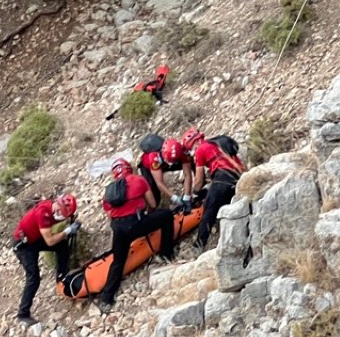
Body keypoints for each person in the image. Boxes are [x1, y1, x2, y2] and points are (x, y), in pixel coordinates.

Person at [97, 158, 175, 313]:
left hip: (118, 229)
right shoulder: (139, 180)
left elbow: (109, 214)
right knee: (166, 216)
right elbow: (152, 204)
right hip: (136, 224)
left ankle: (106, 298)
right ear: (129, 169)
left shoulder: (109, 191)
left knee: (118, 261)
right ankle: (166, 253)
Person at [12, 194, 80, 325]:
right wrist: (68, 231)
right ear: (57, 203)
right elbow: (50, 241)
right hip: (23, 245)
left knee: (62, 247)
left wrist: (72, 220)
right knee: (34, 278)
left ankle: (62, 279)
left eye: (63, 213)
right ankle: (23, 314)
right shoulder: (43, 213)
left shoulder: (53, 209)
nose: (59, 213)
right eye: (59, 210)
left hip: (34, 239)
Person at [185, 127, 245, 251]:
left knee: (209, 211)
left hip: (223, 179)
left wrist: (195, 194)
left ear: (195, 143)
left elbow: (198, 180)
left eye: (190, 148)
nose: (191, 152)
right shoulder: (217, 144)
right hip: (239, 178)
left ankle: (199, 245)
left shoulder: (200, 150)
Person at [138, 140, 186, 210]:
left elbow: (187, 170)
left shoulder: (179, 149)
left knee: (191, 163)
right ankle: (151, 213)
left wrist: (187, 196)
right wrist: (174, 197)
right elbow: (160, 183)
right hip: (148, 168)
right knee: (154, 194)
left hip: (165, 162)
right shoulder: (154, 158)